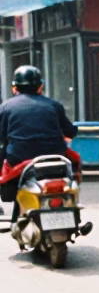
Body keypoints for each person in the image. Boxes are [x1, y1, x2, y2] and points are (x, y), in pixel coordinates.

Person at [0, 66, 79, 216]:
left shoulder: (6, 107)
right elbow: (71, 132)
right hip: (56, 157)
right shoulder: (54, 105)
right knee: (74, 166)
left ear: (14, 87)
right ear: (40, 86)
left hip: (19, 158)